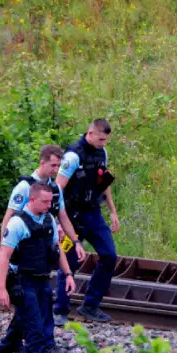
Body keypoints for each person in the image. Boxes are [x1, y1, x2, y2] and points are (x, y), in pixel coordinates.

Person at [0, 183, 76, 353]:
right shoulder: (18, 223)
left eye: (50, 201)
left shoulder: (48, 219)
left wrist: (68, 274)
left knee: (19, 328)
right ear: (32, 199)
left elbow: (56, 249)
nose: (48, 205)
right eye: (44, 201)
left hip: (42, 281)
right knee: (36, 331)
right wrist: (2, 289)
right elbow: (3, 257)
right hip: (22, 282)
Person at [2, 145, 87, 350]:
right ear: (42, 162)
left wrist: (75, 242)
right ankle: (32, 344)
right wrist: (7, 255)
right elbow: (8, 221)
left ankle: (33, 343)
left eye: (59, 166)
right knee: (30, 306)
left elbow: (63, 217)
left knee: (39, 303)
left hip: (42, 256)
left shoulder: (55, 190)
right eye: (53, 165)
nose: (56, 170)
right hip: (23, 258)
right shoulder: (25, 188)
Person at [54, 119, 119, 324]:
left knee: (109, 256)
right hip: (71, 217)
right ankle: (60, 311)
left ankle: (90, 306)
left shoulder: (102, 153)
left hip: (93, 214)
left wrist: (113, 211)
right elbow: (57, 188)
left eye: (106, 140)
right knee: (69, 262)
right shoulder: (73, 156)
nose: (104, 144)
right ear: (90, 133)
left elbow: (104, 182)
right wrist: (58, 221)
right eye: (101, 139)